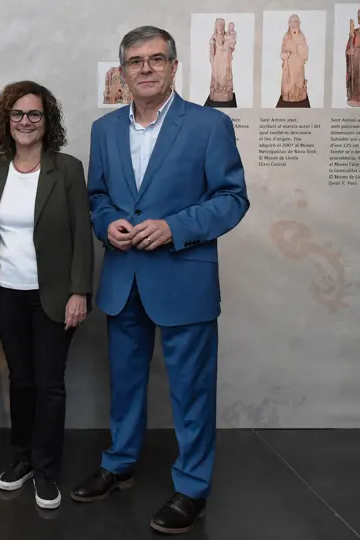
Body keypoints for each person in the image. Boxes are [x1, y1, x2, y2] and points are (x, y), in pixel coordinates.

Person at [71, 26, 249, 534]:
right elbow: (97, 197)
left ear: (174, 66)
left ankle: (192, 487)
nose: (145, 68)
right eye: (135, 61)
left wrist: (174, 228)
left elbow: (232, 199)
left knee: (192, 389)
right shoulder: (104, 130)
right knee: (124, 383)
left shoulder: (209, 125)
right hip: (123, 277)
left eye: (156, 59)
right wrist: (108, 224)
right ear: (122, 71)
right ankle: (119, 464)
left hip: (183, 278)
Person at [0, 80, 94, 510]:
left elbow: (82, 236)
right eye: (17, 114)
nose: (25, 121)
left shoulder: (68, 169)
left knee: (49, 385)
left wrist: (81, 292)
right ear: (7, 121)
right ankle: (21, 459)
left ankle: (46, 471)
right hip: (7, 295)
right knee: (20, 382)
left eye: (34, 114)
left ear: (47, 121)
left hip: (54, 296)